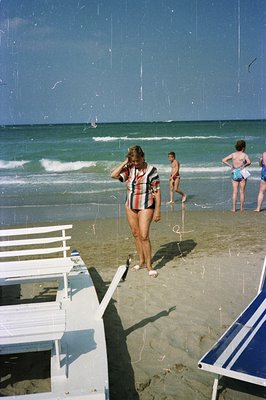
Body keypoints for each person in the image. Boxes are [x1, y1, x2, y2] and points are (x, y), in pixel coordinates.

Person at [111, 145, 161, 277]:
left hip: (146, 204)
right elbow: (113, 175)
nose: (135, 163)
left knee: (144, 235)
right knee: (135, 233)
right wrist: (125, 163)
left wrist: (157, 210)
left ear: (143, 157)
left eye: (137, 161)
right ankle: (141, 261)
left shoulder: (151, 170)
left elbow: (157, 191)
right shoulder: (129, 168)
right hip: (130, 204)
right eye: (133, 161)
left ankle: (149, 266)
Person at [222, 139, 251, 212]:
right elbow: (249, 162)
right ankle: (241, 208)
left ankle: (234, 208)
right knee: (242, 191)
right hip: (242, 172)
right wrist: (243, 165)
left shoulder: (233, 154)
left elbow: (223, 160)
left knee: (235, 191)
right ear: (243, 147)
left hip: (234, 171)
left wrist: (231, 166)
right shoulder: (244, 155)